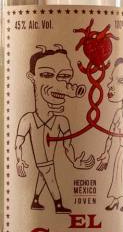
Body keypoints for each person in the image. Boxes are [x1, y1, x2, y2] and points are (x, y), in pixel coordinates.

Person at [15, 45, 94, 214]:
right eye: (47, 75)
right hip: (43, 162)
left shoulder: (61, 121)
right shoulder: (28, 119)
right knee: (48, 176)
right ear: (33, 77)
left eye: (64, 76)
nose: (60, 83)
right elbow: (18, 141)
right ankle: (58, 205)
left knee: (43, 176)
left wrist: (75, 161)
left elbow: (68, 146)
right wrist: (19, 160)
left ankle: (35, 200)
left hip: (46, 162)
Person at [97, 58, 123, 212]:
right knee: (116, 175)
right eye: (112, 79)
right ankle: (114, 199)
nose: (110, 85)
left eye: (120, 80)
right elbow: (110, 136)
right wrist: (105, 153)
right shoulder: (118, 114)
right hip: (119, 151)